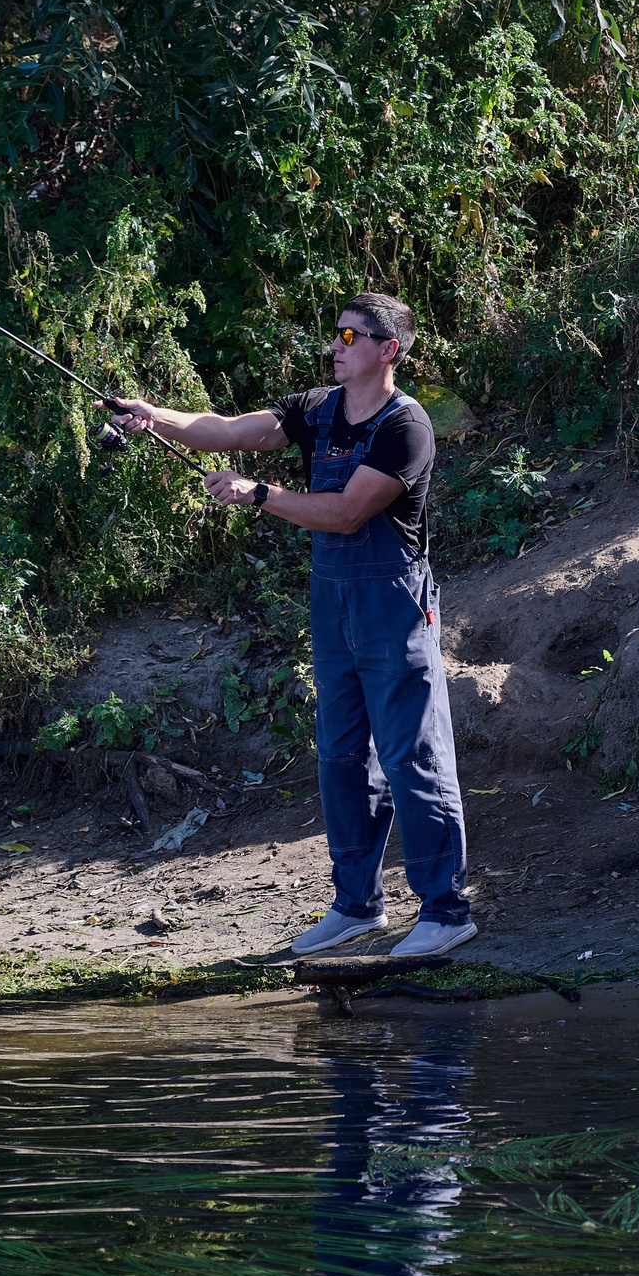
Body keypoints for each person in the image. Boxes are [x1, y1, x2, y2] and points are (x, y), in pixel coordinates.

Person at [107, 292, 475, 957]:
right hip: (333, 609)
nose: (335, 344)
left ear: (387, 349)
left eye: (350, 335)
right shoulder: (313, 410)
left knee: (410, 756)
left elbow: (346, 512)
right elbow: (224, 430)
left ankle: (446, 910)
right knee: (341, 758)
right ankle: (356, 905)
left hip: (394, 607)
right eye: (334, 333)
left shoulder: (406, 426)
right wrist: (152, 417)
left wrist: (261, 496)